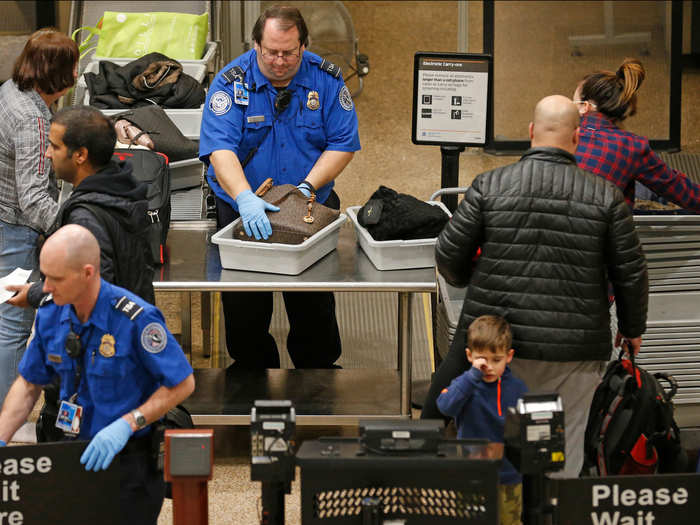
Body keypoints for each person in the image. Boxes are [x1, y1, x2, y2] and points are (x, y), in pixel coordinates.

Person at [422, 95, 649, 478]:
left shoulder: (489, 185)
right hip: (576, 348)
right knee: (562, 452)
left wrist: (469, 280)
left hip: (501, 345)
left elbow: (447, 254)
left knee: (494, 450)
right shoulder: (605, 196)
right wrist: (632, 328)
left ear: (530, 133)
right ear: (577, 138)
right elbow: (631, 272)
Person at [199, 5, 360, 369]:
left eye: (289, 52)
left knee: (312, 303)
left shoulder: (326, 80)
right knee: (245, 308)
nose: (280, 60)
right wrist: (244, 198)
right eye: (271, 51)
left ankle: (317, 381)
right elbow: (220, 150)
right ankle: (253, 378)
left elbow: (342, 143)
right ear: (255, 43)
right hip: (245, 206)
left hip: (307, 203)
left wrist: (305, 187)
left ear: (304, 45)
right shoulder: (230, 83)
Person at [0, 224, 195, 525]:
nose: (45, 288)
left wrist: (129, 423)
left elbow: (182, 383)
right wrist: (1, 436)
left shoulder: (135, 319)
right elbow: (28, 383)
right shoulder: (52, 312)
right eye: (44, 276)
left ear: (88, 273)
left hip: (128, 461)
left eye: (56, 278)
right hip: (70, 454)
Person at [6, 105, 155, 308]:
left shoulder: (86, 219)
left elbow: (92, 293)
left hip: (103, 337)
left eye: (55, 146)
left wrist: (35, 294)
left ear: (80, 155)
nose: (48, 154)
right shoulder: (123, 190)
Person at [0, 28, 78, 405]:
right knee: (13, 326)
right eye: (73, 67)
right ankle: (6, 427)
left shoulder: (12, 91)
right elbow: (32, 198)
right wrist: (74, 229)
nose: (77, 75)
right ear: (59, 73)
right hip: (17, 229)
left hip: (6, 220)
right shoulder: (32, 120)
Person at [574, 57, 700, 211]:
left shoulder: (565, 135)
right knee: (641, 180)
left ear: (584, 107)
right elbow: (682, 191)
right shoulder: (631, 146)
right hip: (603, 229)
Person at [437, 315, 527, 525]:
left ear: (509, 356)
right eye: (482, 359)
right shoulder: (465, 385)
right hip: (471, 475)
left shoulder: (518, 389)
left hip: (508, 476)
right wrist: (471, 377)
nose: (489, 367)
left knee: (509, 521)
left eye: (496, 360)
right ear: (470, 356)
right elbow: (445, 406)